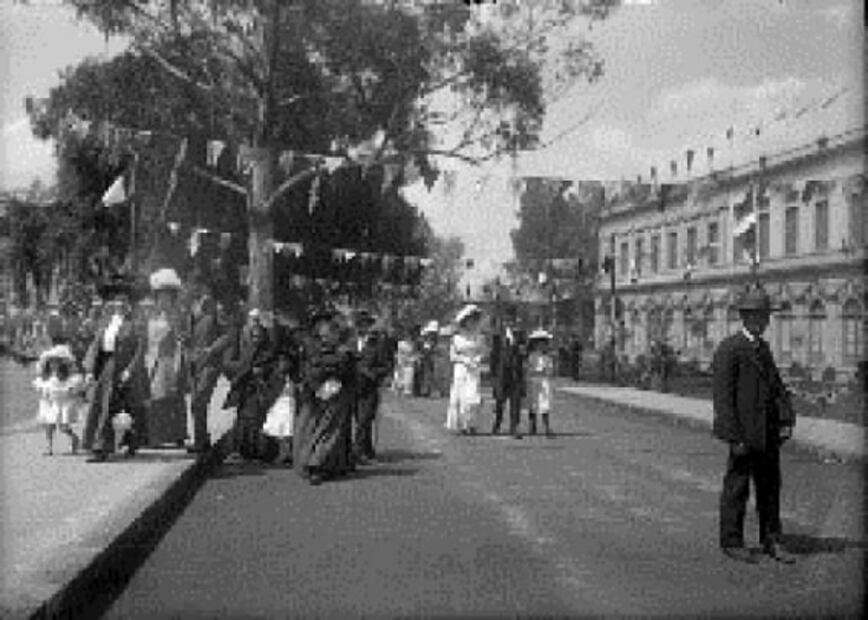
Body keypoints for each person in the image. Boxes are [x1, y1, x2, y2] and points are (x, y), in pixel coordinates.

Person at [712, 286, 796, 564]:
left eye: (765, 317)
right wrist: (733, 436)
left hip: (767, 433)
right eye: (757, 316)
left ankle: (772, 540)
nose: (763, 322)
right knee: (737, 488)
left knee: (770, 489)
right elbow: (723, 398)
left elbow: (776, 387)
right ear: (746, 318)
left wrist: (785, 419)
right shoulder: (730, 349)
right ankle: (732, 540)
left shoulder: (763, 349)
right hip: (744, 435)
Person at [81, 276, 148, 462]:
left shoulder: (136, 321)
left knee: (117, 406)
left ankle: (102, 448)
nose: (119, 303)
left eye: (123, 300)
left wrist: (130, 370)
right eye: (117, 300)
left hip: (123, 367)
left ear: (129, 303)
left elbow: (141, 348)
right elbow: (96, 345)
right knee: (100, 404)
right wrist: (88, 370)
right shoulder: (107, 320)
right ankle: (97, 443)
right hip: (105, 366)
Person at [293, 305, 358, 485]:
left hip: (336, 392)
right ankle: (315, 464)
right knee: (323, 430)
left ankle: (334, 464)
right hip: (319, 393)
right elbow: (309, 368)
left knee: (332, 430)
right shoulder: (312, 344)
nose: (325, 329)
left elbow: (346, 368)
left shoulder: (341, 347)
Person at [222, 314, 277, 462]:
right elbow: (237, 366)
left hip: (260, 391)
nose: (256, 340)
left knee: (256, 421)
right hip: (245, 390)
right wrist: (245, 372)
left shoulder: (268, 352)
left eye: (258, 337)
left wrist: (261, 372)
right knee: (242, 420)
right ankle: (241, 451)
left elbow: (271, 369)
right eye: (253, 337)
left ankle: (257, 452)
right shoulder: (246, 351)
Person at [144, 268, 189, 447]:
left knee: (173, 397)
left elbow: (182, 337)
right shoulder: (151, 314)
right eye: (161, 296)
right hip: (153, 359)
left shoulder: (178, 315)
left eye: (168, 296)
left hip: (171, 359)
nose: (164, 299)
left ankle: (177, 434)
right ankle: (157, 435)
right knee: (156, 398)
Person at [187, 293, 231, 452]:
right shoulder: (191, 320)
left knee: (199, 401)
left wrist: (212, 349)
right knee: (196, 405)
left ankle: (201, 441)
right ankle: (202, 440)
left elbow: (228, 336)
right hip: (194, 366)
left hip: (209, 366)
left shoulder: (215, 318)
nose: (199, 305)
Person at [352, 310, 390, 464]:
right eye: (359, 324)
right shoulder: (350, 343)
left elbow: (386, 366)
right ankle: (368, 450)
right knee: (361, 421)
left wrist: (372, 373)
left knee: (364, 420)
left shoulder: (378, 344)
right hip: (353, 387)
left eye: (365, 324)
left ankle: (358, 452)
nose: (362, 327)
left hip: (370, 388)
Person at [33, 344, 83, 455]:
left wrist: (72, 390)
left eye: (56, 361)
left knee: (64, 427)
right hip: (51, 403)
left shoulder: (69, 377)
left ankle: (74, 438)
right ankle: (49, 447)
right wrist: (43, 390)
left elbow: (74, 387)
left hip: (64, 403)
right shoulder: (47, 376)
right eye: (51, 361)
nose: (53, 364)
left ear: (62, 362)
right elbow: (42, 386)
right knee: (49, 425)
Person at [446, 304, 485, 435]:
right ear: (465, 322)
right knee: (461, 397)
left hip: (474, 369)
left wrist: (477, 359)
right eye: (470, 320)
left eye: (475, 320)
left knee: (473, 397)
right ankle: (462, 425)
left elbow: (482, 352)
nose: (473, 323)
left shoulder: (479, 337)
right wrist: (464, 360)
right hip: (461, 369)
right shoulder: (457, 338)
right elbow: (452, 356)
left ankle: (472, 424)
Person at [490, 307, 525, 439]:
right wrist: (493, 375)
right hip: (501, 372)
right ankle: (497, 424)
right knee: (500, 400)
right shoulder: (498, 336)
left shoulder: (520, 334)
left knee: (516, 401)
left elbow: (524, 352)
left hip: (515, 372)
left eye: (511, 320)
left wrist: (521, 349)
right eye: (507, 320)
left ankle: (514, 427)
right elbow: (494, 355)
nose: (509, 322)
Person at [526, 329, 555, 436]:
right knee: (533, 404)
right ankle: (532, 426)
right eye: (540, 343)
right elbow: (529, 369)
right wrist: (536, 371)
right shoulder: (531, 356)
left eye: (544, 343)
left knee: (545, 404)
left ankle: (547, 427)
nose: (542, 346)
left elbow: (550, 370)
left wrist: (546, 371)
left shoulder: (547, 357)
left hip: (544, 382)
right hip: (533, 382)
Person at [417, 321, 439, 398]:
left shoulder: (434, 341)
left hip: (430, 359)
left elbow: (433, 349)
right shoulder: (423, 340)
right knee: (424, 375)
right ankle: (423, 391)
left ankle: (429, 391)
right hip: (425, 359)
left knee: (430, 375)